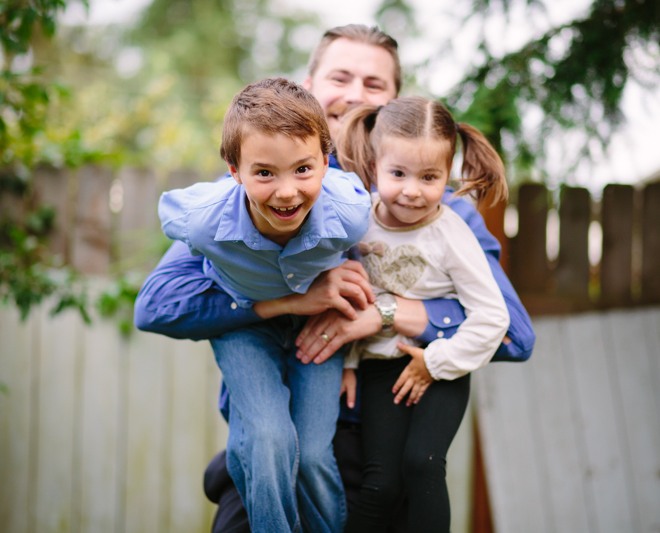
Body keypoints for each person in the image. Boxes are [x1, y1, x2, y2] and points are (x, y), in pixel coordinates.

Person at [134, 24, 536, 533]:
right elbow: (160, 302)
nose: (354, 94)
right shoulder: (256, 194)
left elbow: (514, 334)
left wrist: (383, 314)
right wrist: (282, 299)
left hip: (381, 450)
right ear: (309, 87)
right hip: (274, 443)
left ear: (393, 102)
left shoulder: (440, 213)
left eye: (374, 84)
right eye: (340, 77)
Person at [159, 77, 372, 533]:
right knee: (266, 438)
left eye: (303, 169)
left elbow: (354, 253)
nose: (287, 192)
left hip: (316, 326)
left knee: (311, 454)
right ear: (234, 171)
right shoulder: (202, 223)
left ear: (326, 162)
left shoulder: (349, 214)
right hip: (246, 330)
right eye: (264, 173)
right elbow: (169, 225)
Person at [336, 97, 509, 532]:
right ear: (374, 166)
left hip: (442, 367)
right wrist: (350, 363)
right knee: (381, 486)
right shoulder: (358, 222)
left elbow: (493, 317)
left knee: (422, 464)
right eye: (398, 174)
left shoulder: (450, 233)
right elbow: (354, 297)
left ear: (447, 175)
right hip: (380, 369)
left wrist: (435, 362)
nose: (412, 190)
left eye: (429, 177)